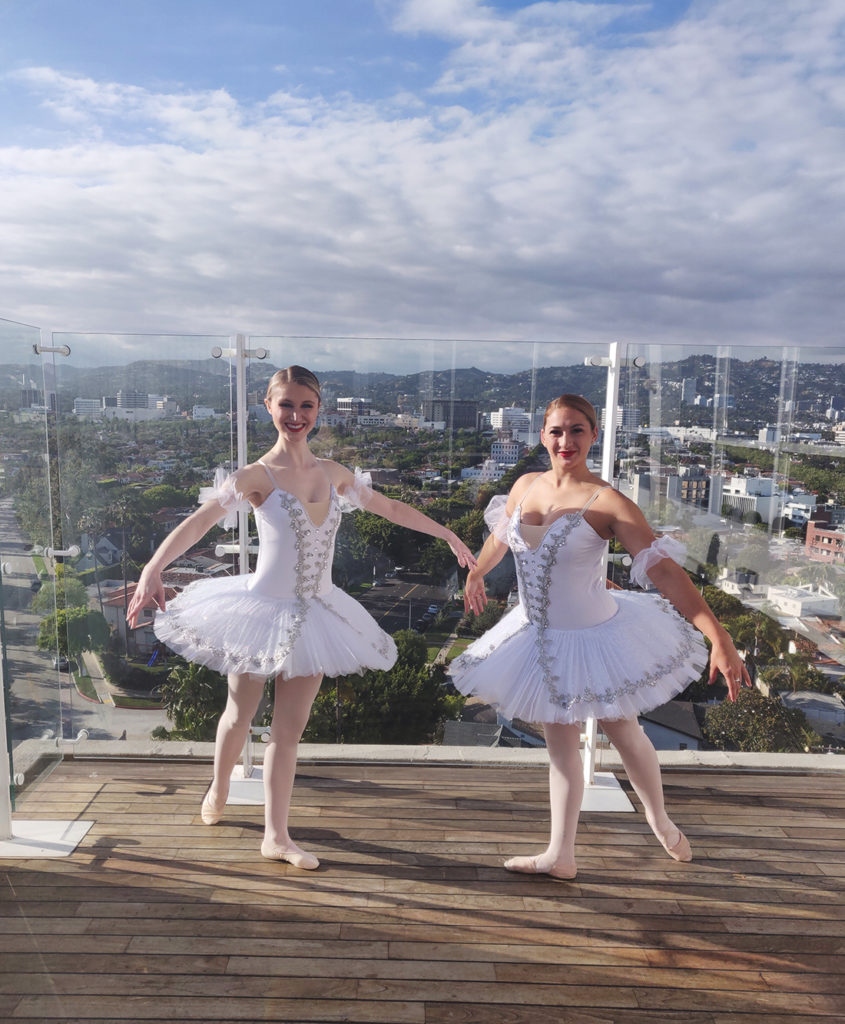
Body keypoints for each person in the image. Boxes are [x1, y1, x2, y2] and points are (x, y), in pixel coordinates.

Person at [126, 365, 475, 870]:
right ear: (268, 407)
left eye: (305, 406)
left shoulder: (333, 473)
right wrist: (153, 567)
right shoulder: (256, 476)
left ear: (318, 410)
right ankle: (219, 786)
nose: (296, 415)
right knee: (239, 714)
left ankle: (277, 835)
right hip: (259, 613)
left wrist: (447, 534)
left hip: (317, 614)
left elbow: (391, 508)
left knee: (289, 731)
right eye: (286, 405)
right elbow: (198, 523)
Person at [452, 393, 750, 879]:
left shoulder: (608, 501)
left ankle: (660, 820)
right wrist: (477, 572)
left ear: (593, 435)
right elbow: (499, 537)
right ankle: (560, 854)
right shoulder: (525, 484)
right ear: (542, 434)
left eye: (576, 430)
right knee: (559, 745)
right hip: (537, 638)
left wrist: (718, 634)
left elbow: (666, 572)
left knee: (623, 730)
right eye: (555, 431)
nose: (564, 440)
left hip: (595, 636)